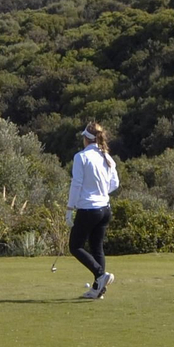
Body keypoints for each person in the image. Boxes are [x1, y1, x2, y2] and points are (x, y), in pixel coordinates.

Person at [67, 121, 120, 300]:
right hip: (105, 209)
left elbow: (76, 184)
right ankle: (98, 289)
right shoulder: (106, 156)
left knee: (75, 246)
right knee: (97, 247)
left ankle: (100, 274)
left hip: (89, 209)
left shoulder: (81, 157)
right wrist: (101, 192)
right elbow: (115, 184)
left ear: (86, 139)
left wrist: (69, 208)